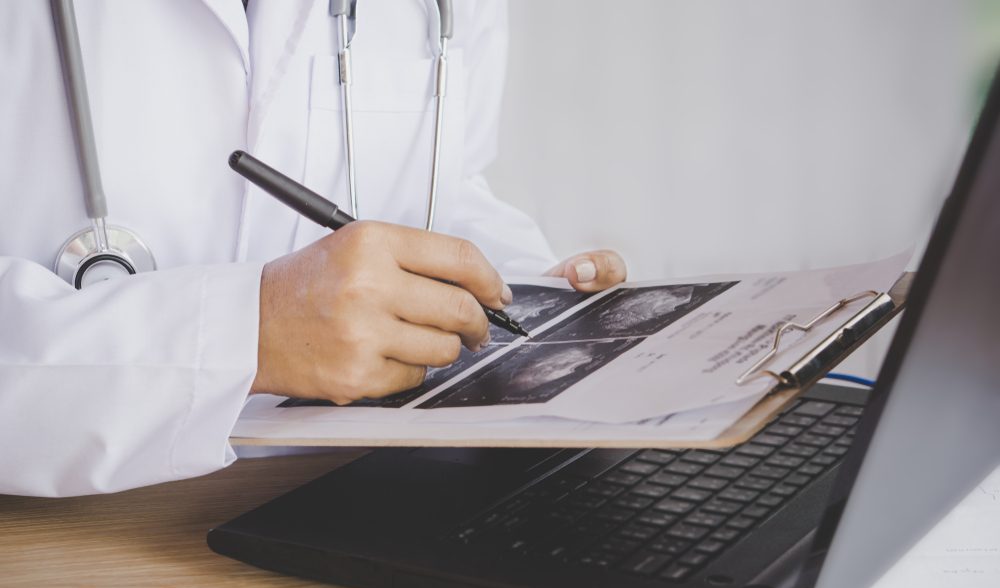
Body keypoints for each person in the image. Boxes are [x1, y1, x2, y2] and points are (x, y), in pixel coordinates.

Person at [0, 1, 626, 497]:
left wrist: (533, 294)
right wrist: (247, 333)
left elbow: (446, 184)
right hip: (67, 544)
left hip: (359, 499)